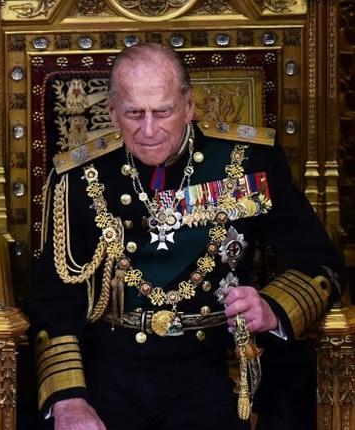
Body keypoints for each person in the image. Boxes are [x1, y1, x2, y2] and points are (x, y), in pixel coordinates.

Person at [31, 42, 345, 430]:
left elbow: (320, 263)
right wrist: (68, 399)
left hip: (214, 366)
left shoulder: (248, 162)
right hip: (110, 368)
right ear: (112, 112)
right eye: (134, 113)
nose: (148, 130)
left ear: (189, 106)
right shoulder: (77, 179)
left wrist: (272, 307)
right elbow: (53, 301)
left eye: (162, 112)